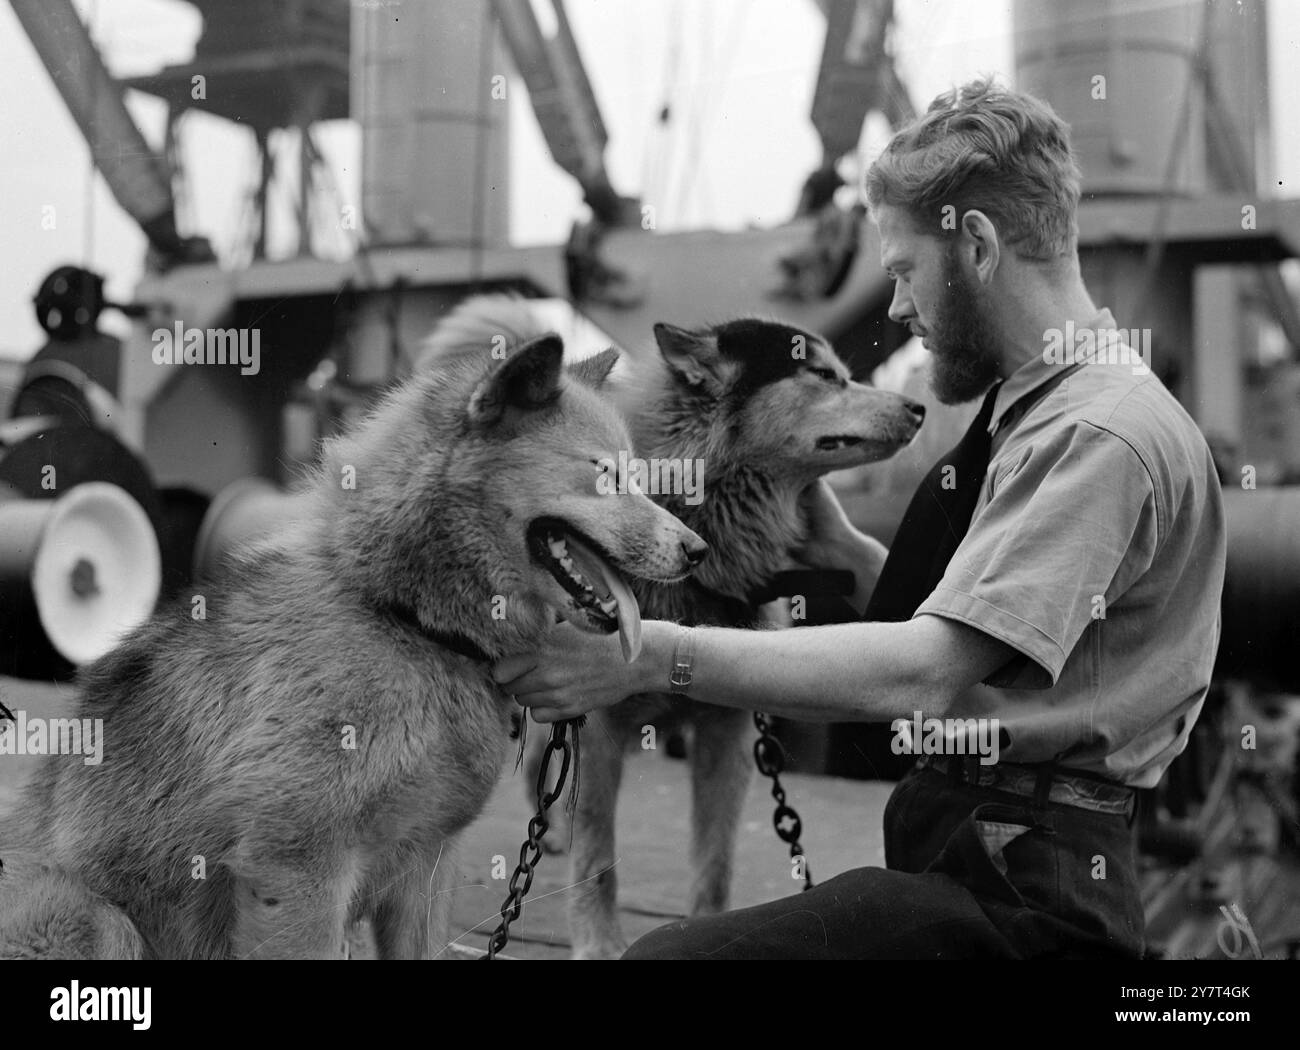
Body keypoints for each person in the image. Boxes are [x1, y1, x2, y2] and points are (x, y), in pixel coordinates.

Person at [494, 77, 1227, 960]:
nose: (896, 310)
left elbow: (923, 673)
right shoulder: (1042, 411)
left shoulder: (1099, 436)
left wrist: (646, 653)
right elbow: (993, 631)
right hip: (979, 859)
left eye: (905, 270)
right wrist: (853, 554)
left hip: (1025, 906)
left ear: (980, 247)